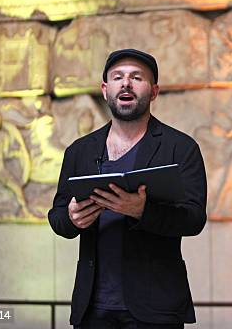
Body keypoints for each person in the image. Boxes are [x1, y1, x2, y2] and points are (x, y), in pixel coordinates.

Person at [48, 48, 207, 328]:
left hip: (156, 308)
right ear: (105, 89)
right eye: (118, 77)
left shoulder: (180, 148)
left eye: (137, 77)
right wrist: (72, 219)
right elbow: (57, 217)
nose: (126, 83)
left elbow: (194, 219)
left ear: (154, 91)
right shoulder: (80, 151)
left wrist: (143, 211)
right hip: (93, 309)